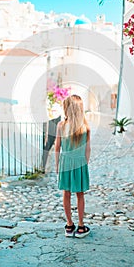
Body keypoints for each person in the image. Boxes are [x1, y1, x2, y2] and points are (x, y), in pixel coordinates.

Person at [55, 95, 91, 238]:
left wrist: (57, 165)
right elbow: (88, 149)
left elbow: (57, 147)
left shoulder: (61, 126)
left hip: (65, 162)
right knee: (80, 194)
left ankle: (69, 225)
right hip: (79, 163)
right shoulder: (86, 127)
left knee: (66, 194)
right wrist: (84, 164)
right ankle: (81, 226)